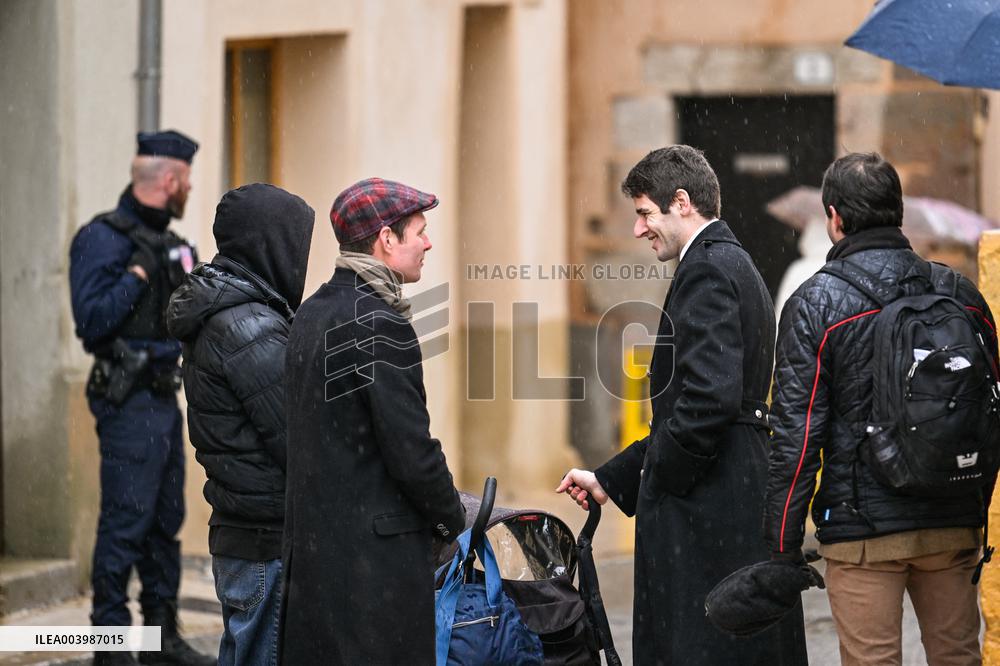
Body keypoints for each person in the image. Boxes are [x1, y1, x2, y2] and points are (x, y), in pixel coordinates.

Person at [557, 145, 808, 665]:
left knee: (707, 649)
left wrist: (661, 479)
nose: (638, 229)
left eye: (645, 213)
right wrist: (611, 478)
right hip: (729, 488)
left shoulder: (708, 268)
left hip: (710, 506)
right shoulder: (726, 261)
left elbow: (708, 402)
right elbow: (698, 407)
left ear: (681, 202)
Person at [764, 152, 998, 665]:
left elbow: (798, 436)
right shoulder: (958, 292)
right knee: (957, 657)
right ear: (898, 211)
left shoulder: (816, 302)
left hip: (862, 531)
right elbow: (987, 410)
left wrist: (781, 543)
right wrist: (974, 509)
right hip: (950, 518)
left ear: (834, 217)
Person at [280, 177, 466, 664]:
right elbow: (412, 453)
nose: (428, 243)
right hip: (374, 569)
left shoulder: (312, 313)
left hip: (317, 561)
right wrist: (453, 519)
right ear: (386, 238)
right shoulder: (380, 323)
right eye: (419, 232)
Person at [68, 130, 214, 666]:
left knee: (164, 521)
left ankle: (160, 640)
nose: (189, 189)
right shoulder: (101, 238)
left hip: (163, 398)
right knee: (125, 522)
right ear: (170, 180)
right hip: (127, 400)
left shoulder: (171, 242)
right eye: (187, 181)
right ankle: (109, 648)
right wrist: (138, 272)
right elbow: (92, 322)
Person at [165, 183, 314, 666]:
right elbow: (300, 440)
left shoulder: (231, 313)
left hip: (245, 533)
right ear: (269, 245)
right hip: (265, 540)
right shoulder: (249, 326)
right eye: (296, 243)